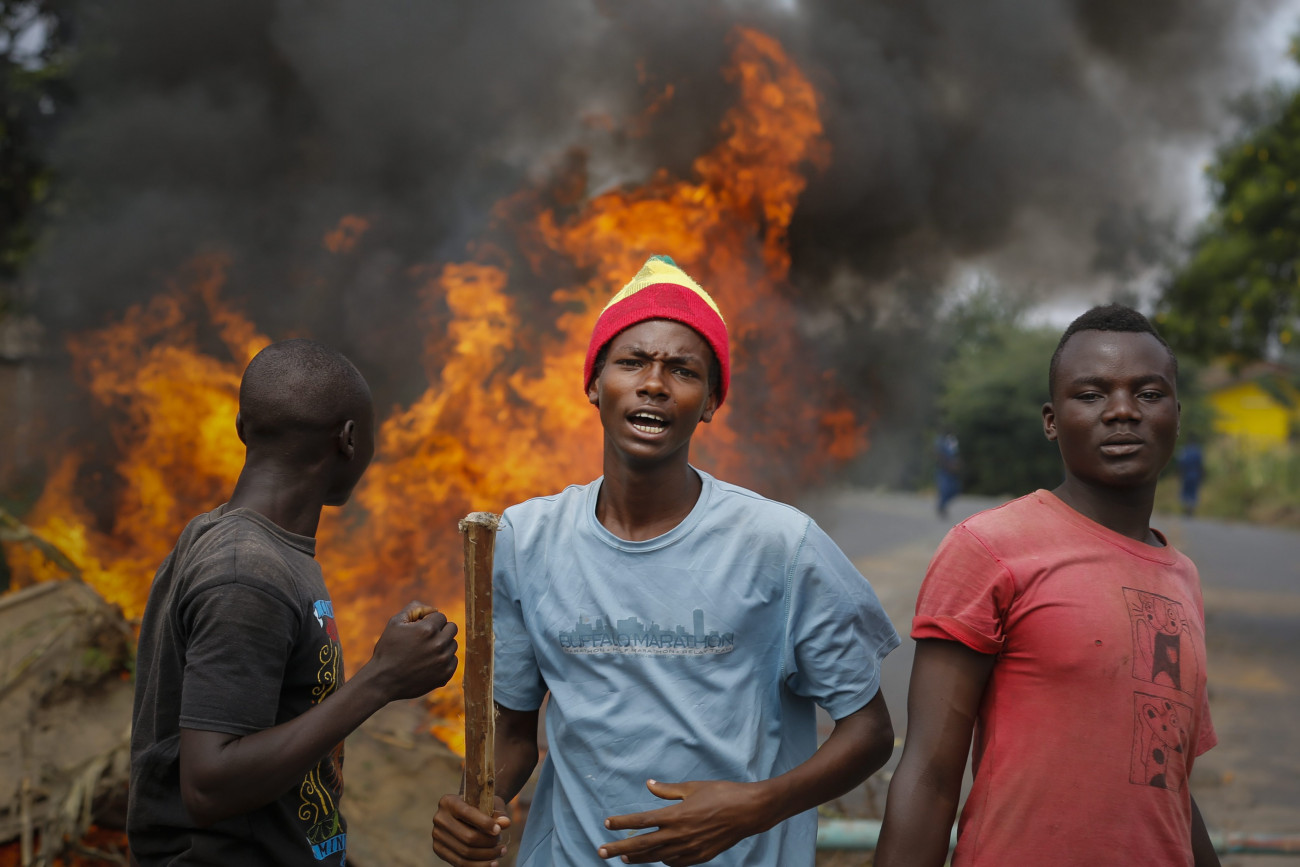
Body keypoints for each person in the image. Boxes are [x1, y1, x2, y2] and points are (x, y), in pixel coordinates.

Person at [431, 256, 900, 866]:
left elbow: (870, 732)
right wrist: (479, 803)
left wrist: (755, 806)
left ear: (708, 403)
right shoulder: (526, 538)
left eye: (683, 370)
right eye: (631, 362)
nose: (654, 382)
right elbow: (516, 733)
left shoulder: (781, 544)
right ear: (594, 385)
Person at [876, 305, 1220, 867]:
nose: (1122, 412)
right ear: (1051, 419)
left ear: (1176, 415)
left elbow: (1168, 784)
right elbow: (930, 776)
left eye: (1149, 393)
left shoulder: (1182, 577)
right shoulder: (989, 548)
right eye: (1091, 394)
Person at [128, 339, 461, 866]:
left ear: (242, 428)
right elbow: (209, 787)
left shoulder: (256, 550)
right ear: (349, 440)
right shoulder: (246, 574)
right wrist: (382, 680)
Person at [934, 429, 961, 519]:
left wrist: (956, 465)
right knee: (945, 489)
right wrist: (947, 465)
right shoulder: (940, 441)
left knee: (955, 490)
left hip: (952, 470)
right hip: (944, 469)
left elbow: (955, 454)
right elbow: (939, 455)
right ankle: (942, 507)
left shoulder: (952, 440)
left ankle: (942, 506)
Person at [1177, 440, 1206, 516]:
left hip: (1186, 474)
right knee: (1193, 492)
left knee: (1186, 492)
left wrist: (1180, 474)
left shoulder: (1185, 450)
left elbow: (1181, 463)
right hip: (1195, 474)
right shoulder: (1198, 451)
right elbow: (1201, 464)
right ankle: (1191, 510)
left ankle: (1186, 509)